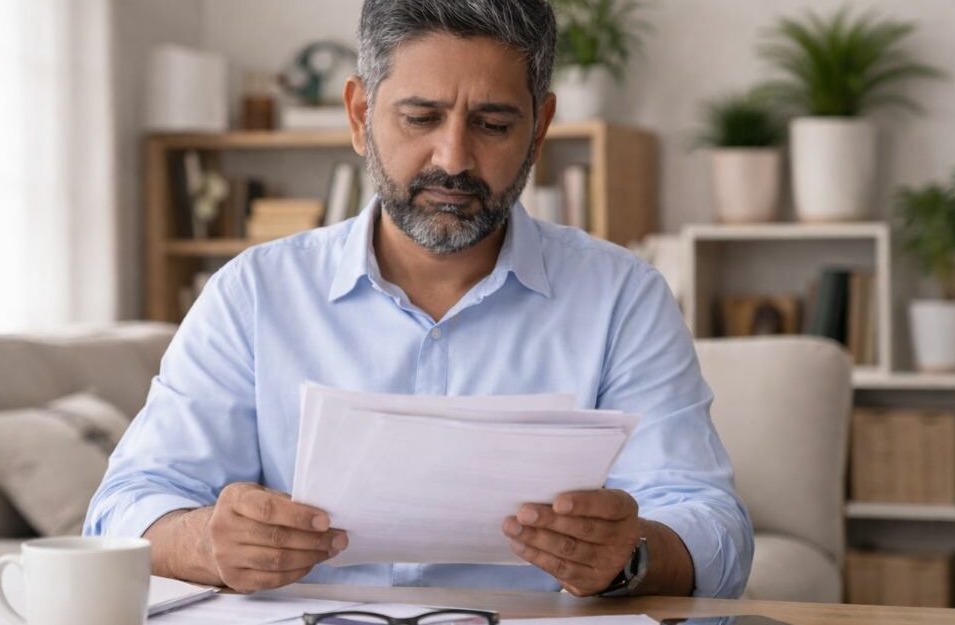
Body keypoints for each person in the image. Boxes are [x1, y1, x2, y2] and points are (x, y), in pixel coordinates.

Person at [85, 0, 752, 599]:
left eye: (492, 123)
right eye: (420, 117)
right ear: (358, 114)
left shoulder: (622, 298)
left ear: (540, 127)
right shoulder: (254, 293)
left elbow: (715, 528)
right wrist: (209, 542)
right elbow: (120, 510)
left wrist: (630, 555)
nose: (453, 158)